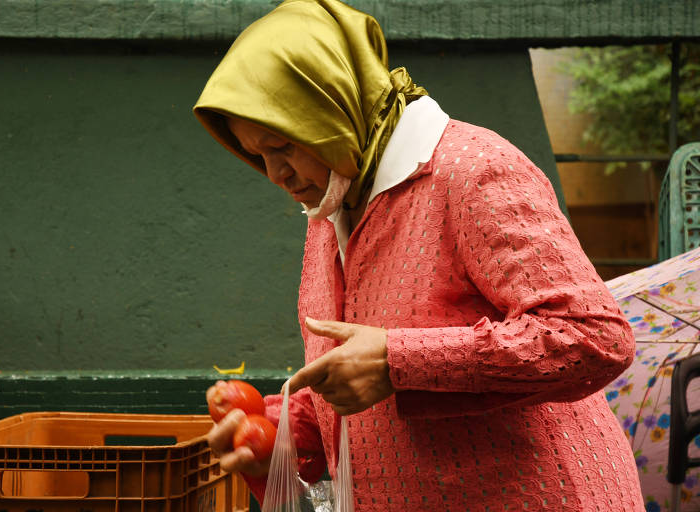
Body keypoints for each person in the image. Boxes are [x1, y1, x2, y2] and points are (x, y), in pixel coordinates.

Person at [193, 0, 645, 510]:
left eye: (283, 147)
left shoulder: (473, 172)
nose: (274, 174)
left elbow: (592, 336)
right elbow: (356, 382)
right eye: (259, 155)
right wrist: (276, 432)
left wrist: (397, 359)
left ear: (330, 109)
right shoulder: (331, 209)